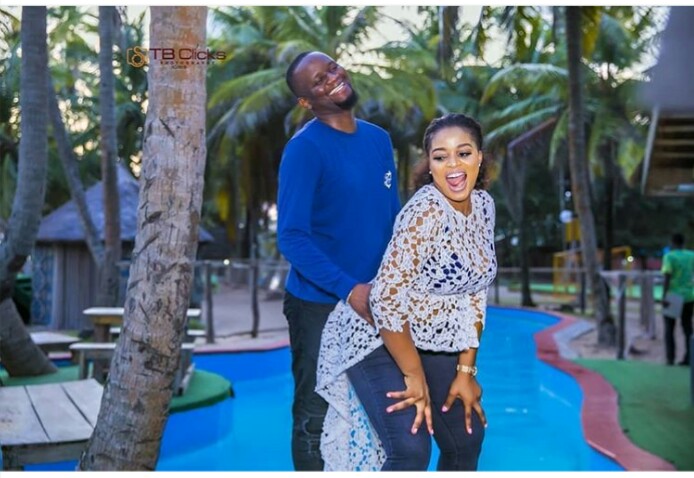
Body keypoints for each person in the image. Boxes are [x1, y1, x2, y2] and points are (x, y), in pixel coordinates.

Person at [316, 113, 497, 471]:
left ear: (479, 157)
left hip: (428, 336)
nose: (453, 165)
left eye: (463, 153)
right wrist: (415, 377)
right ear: (429, 165)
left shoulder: (483, 206)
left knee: (466, 436)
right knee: (410, 448)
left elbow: (475, 294)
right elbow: (384, 301)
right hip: (376, 333)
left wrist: (466, 370)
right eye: (440, 157)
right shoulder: (425, 212)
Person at [277, 51, 401, 470]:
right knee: (315, 415)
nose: (331, 78)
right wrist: (350, 289)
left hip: (377, 304)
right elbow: (291, 237)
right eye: (318, 81)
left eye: (331, 67)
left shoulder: (379, 139)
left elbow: (392, 220)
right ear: (305, 101)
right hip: (319, 306)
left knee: (383, 412)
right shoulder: (304, 150)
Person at [660, 233, 694, 366]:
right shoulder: (691, 256)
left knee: (670, 328)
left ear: (672, 242)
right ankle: (689, 357)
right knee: (687, 328)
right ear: (683, 242)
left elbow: (667, 276)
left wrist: (664, 296)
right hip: (689, 296)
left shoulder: (669, 256)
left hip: (673, 295)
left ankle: (670, 358)